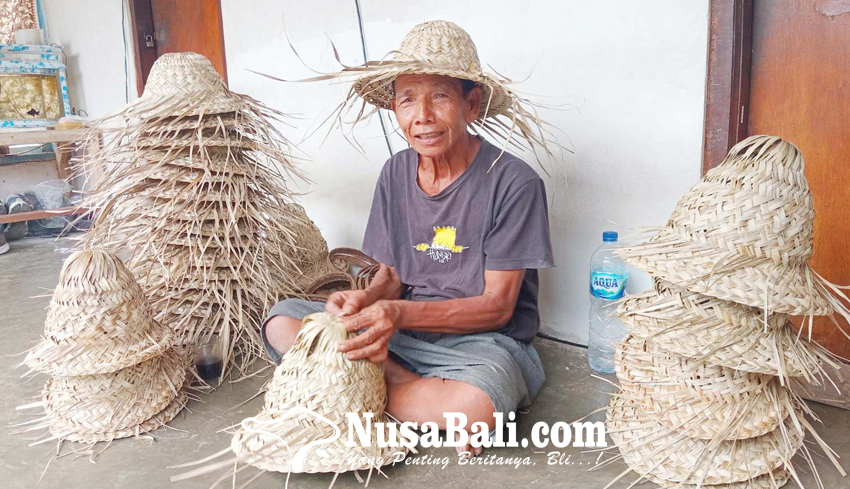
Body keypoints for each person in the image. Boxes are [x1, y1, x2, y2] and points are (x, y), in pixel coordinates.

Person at [262, 20, 555, 457]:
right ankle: (406, 395)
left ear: (471, 105)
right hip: (400, 331)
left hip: (478, 341)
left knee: (476, 405)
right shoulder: (395, 172)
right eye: (407, 100)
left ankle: (369, 384)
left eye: (439, 96)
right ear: (394, 110)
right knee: (283, 320)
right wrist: (365, 300)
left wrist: (394, 315)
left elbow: (497, 306)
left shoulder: (513, 183)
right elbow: (392, 276)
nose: (423, 117)